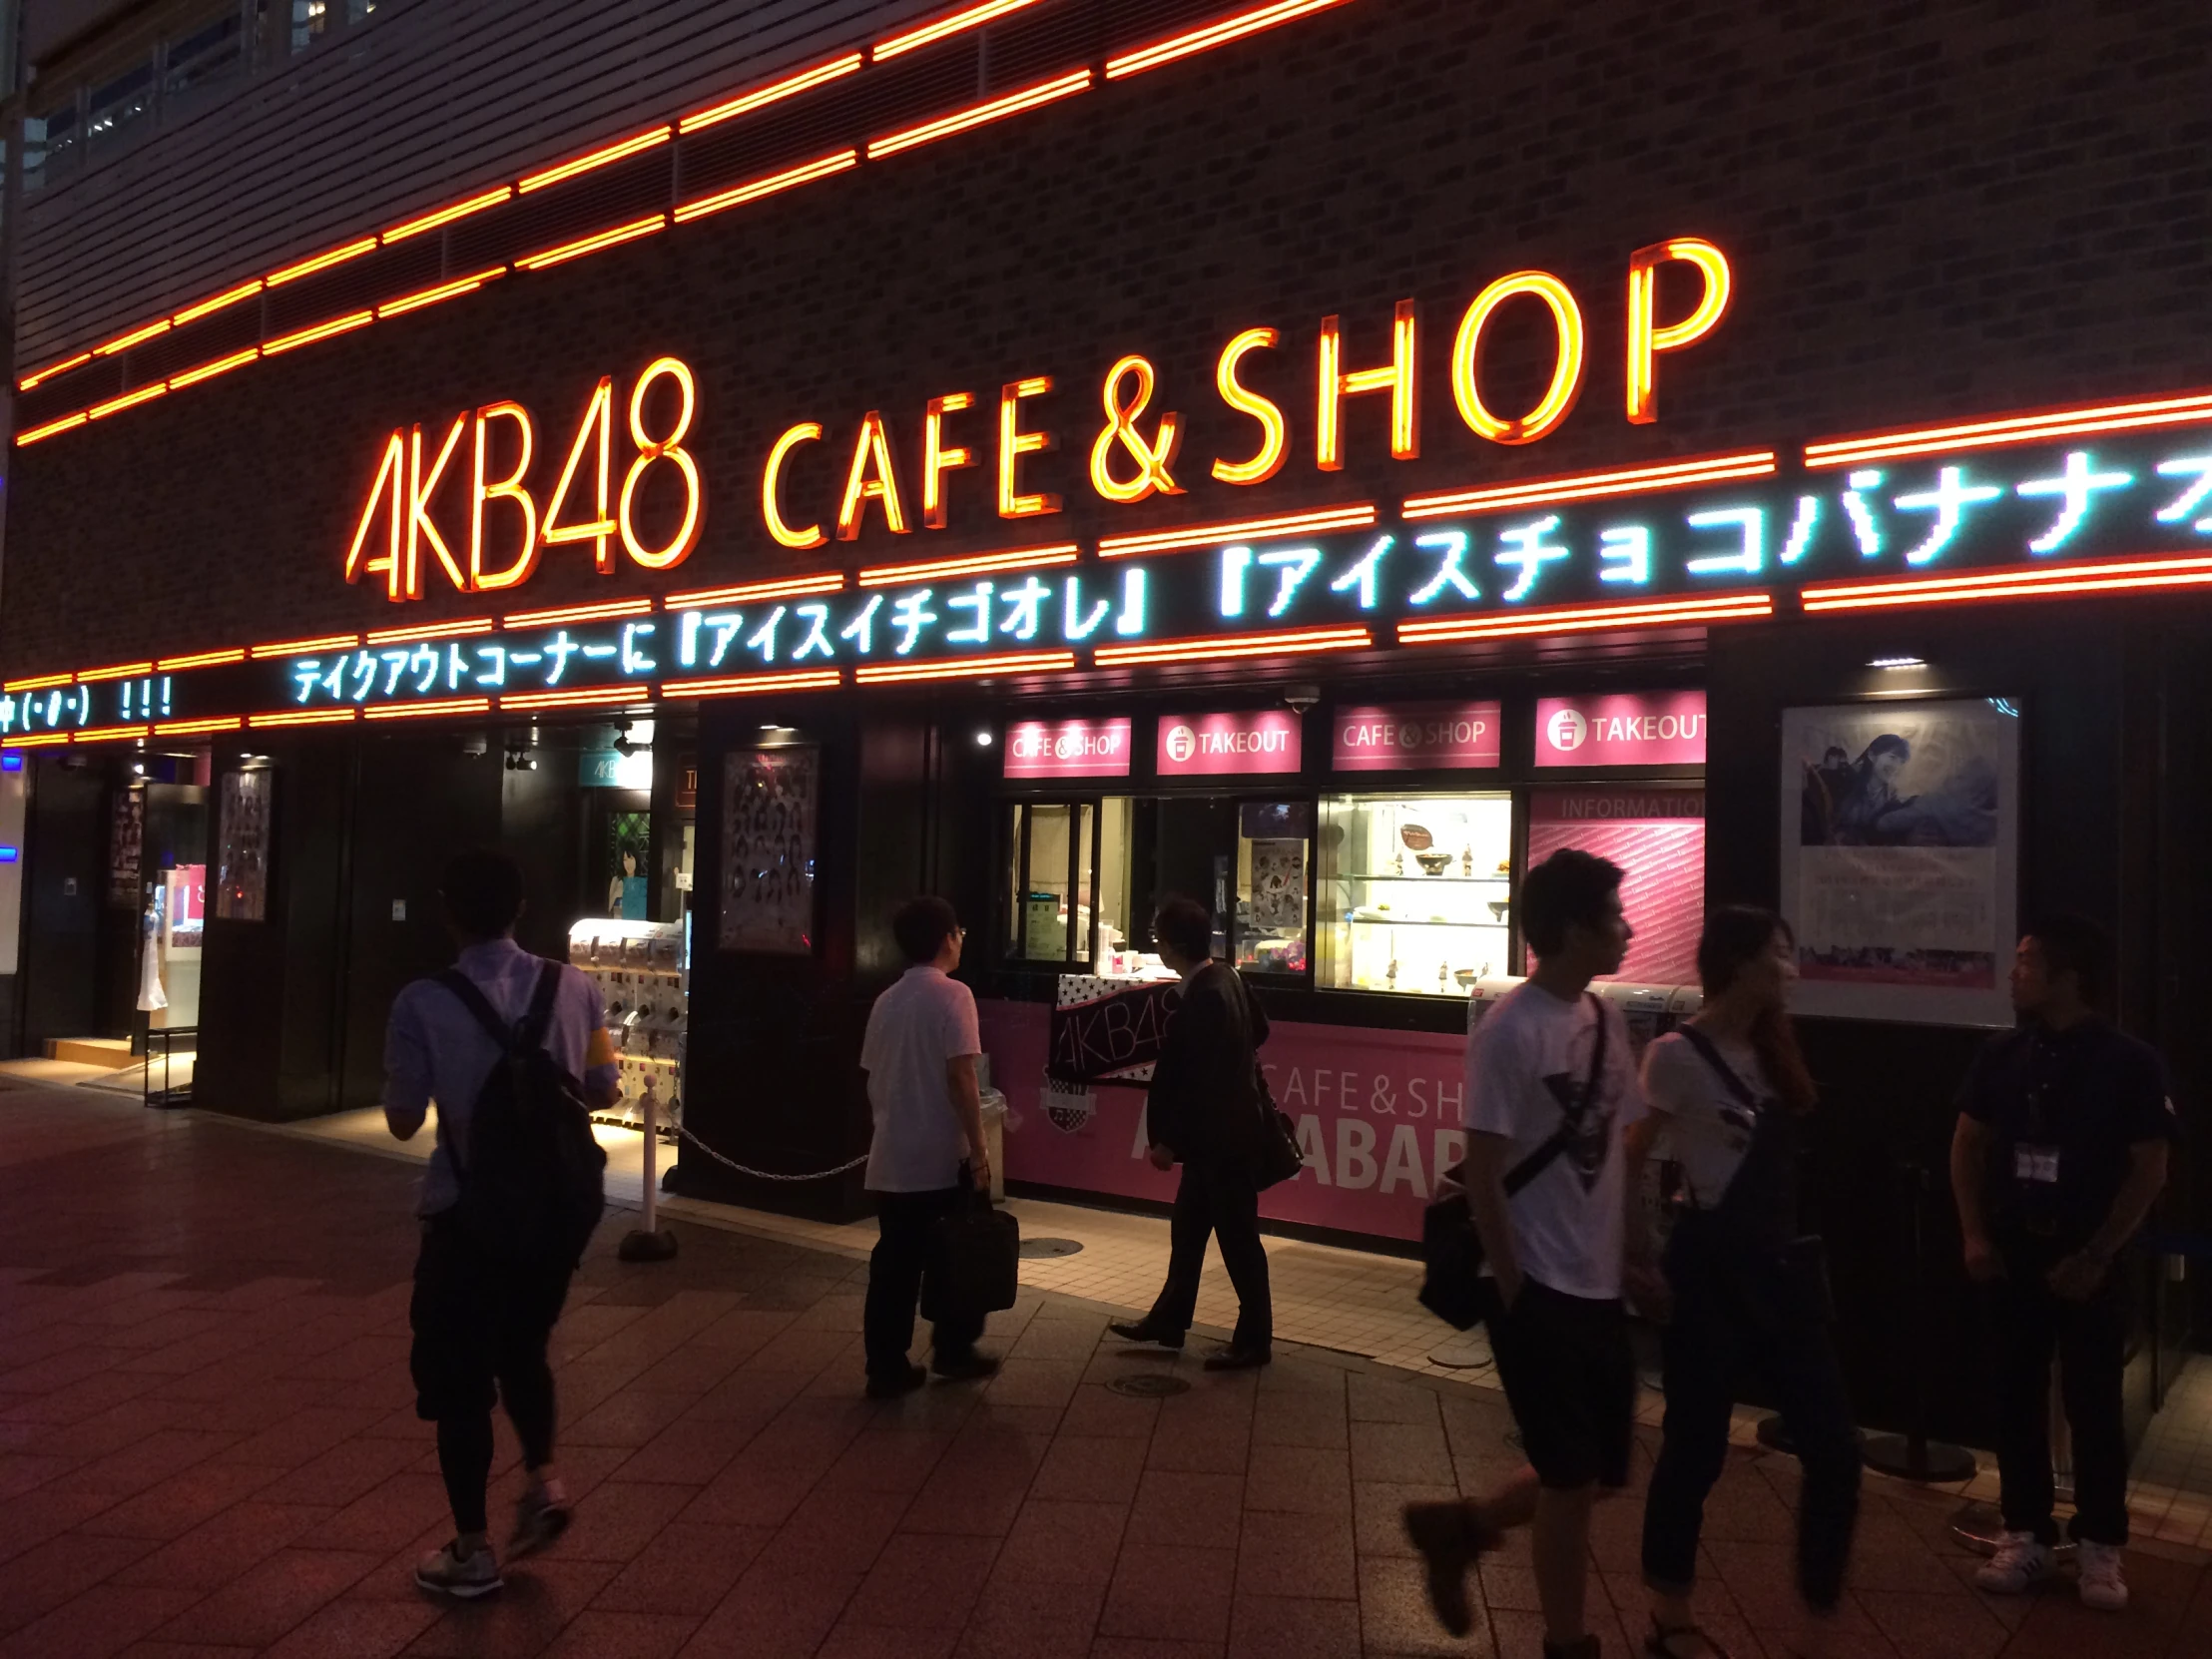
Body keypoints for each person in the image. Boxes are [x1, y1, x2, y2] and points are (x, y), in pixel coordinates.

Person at [1403, 849, 1654, 1659]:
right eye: (1615, 916)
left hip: (1598, 1287)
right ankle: (1566, 1642)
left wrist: (1635, 1260)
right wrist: (1514, 1287)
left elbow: (1623, 1150)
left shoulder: (1608, 1023)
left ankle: (1463, 1527)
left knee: (1600, 1473)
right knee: (1573, 1478)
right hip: (1537, 1286)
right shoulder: (1511, 1031)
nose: (1627, 929)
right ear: (1577, 930)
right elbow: (1481, 1167)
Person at [384, 848, 620, 1598]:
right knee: (525, 1350)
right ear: (520, 908)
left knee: (459, 1383)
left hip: (465, 1216)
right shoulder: (575, 987)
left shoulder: (421, 1001)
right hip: (554, 1215)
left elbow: (399, 1119)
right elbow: (604, 1086)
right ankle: (546, 1482)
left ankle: (473, 1547)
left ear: (448, 910)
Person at [1628, 908, 1861, 1656]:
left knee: (1835, 1447)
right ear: (1738, 962)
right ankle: (1671, 1609)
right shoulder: (1674, 1055)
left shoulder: (1777, 1050)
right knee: (1695, 1446)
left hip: (1784, 1270)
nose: (1790, 967)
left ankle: (1818, 1609)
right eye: (1779, 953)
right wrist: (1636, 1262)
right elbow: (1630, 1161)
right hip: (1709, 1271)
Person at [1950, 916, 2176, 1612]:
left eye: (2026, 962)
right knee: (2015, 1396)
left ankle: (2102, 1545)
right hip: (2015, 1250)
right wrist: (1975, 1235)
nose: (2014, 973)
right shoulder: (2002, 1055)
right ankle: (2026, 1530)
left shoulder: (2131, 1062)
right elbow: (1966, 1145)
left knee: (2095, 1405)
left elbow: (2150, 1168)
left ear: (2069, 976)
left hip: (2091, 1257)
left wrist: (2098, 1254)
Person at [1107, 894, 1274, 1370]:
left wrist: (1168, 1141)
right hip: (1223, 1137)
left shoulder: (1206, 996)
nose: (1157, 946)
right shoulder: (1226, 977)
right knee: (1190, 1232)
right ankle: (1169, 1319)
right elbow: (1260, 1031)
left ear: (1173, 947)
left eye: (1159, 938)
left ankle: (1253, 1341)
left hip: (1219, 1141)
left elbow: (1197, 1080)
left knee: (1238, 1239)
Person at [858, 895, 1000, 1398]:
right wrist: (980, 1151)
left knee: (894, 1265)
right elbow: (962, 1077)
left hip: (892, 1154)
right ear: (947, 939)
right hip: (940, 1155)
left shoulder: (886, 1000)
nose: (961, 939)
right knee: (956, 1256)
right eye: (959, 931)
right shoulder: (954, 996)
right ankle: (953, 1350)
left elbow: (873, 1075)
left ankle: (886, 1364)